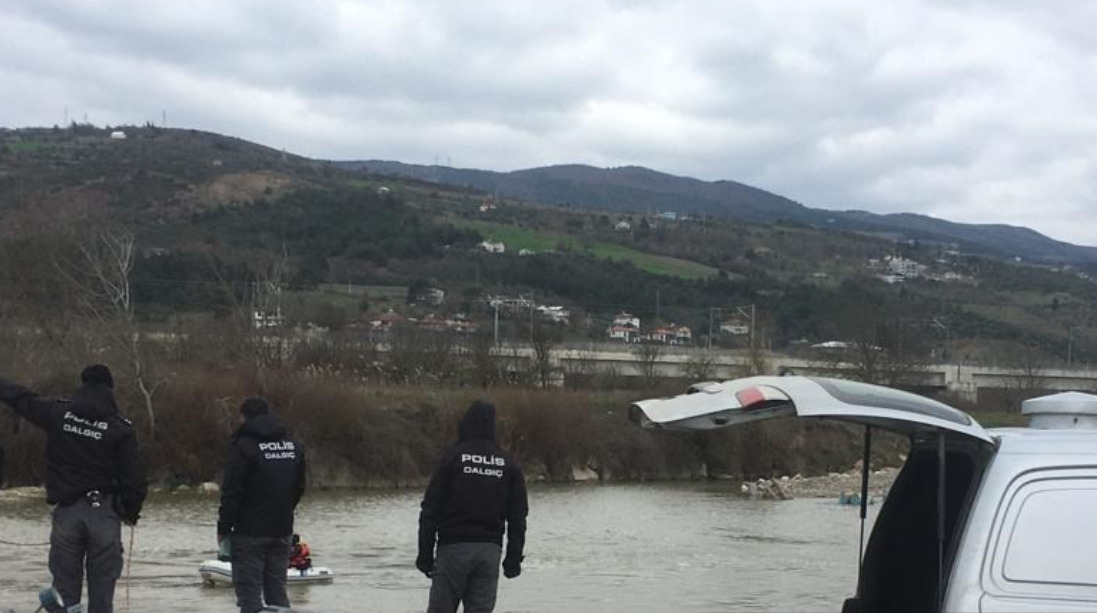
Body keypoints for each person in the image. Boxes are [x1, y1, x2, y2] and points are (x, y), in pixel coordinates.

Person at [0, 365, 147, 613]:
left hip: (67, 515)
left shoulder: (58, 413)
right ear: (109, 389)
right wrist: (130, 513)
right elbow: (135, 480)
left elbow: (23, 398)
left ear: (83, 384)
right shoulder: (120, 428)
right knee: (102, 600)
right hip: (104, 517)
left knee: (64, 598)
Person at [417, 400, 529, 613]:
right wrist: (513, 559)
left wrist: (425, 554)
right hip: (489, 552)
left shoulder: (453, 458)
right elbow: (518, 517)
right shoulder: (508, 465)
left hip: (453, 550)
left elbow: (430, 509)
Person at [218, 397, 307, 613]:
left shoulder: (243, 447)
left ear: (244, 418)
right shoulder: (293, 446)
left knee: (249, 596)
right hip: (282, 529)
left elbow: (232, 492)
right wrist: (284, 510)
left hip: (249, 533)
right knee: (277, 590)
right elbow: (299, 487)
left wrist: (224, 527)